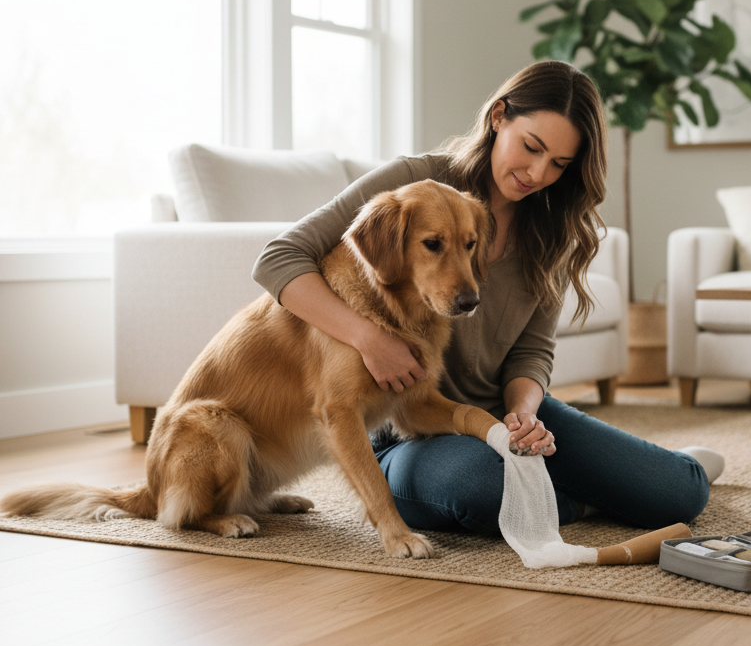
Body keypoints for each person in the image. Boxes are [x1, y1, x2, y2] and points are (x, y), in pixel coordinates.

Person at [252, 59, 722, 538]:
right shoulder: (414, 182)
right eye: (531, 147)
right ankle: (574, 494)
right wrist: (369, 339)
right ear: (499, 117)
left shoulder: (551, 229)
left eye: (559, 164)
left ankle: (585, 487)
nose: (538, 173)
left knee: (681, 493)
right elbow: (279, 258)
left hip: (499, 413)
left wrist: (524, 413)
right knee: (482, 490)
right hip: (408, 428)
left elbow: (532, 351)